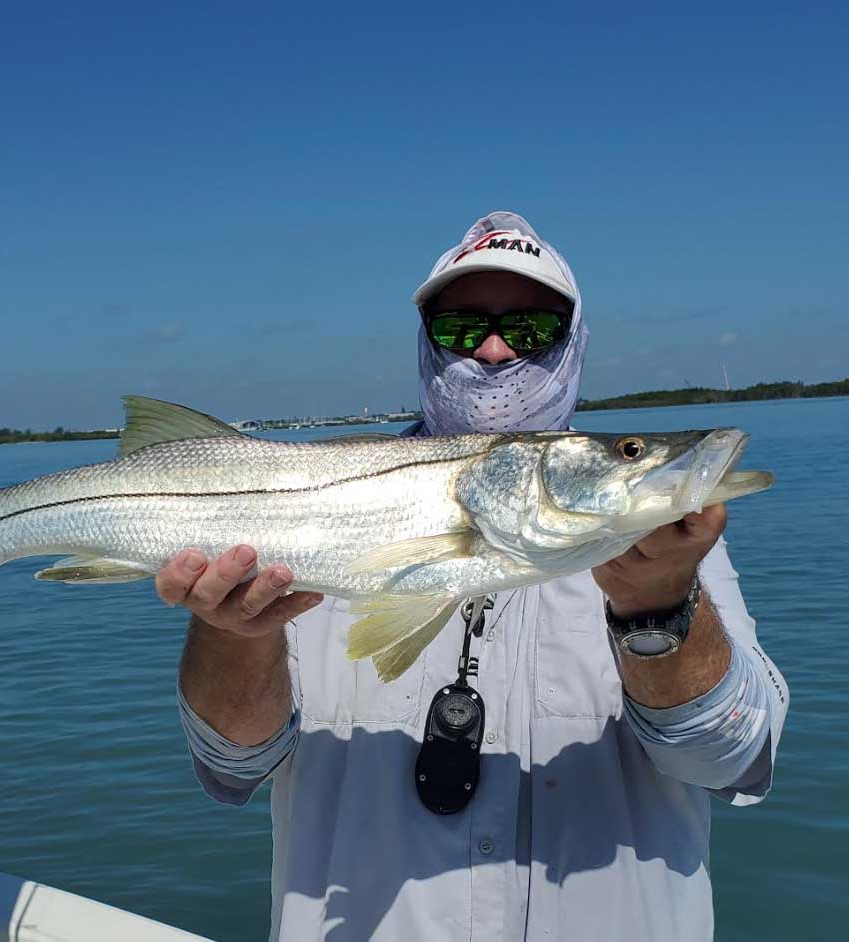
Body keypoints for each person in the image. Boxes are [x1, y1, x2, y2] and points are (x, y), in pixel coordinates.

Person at [159, 211, 788, 941]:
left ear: (574, 343)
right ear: (426, 341)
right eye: (461, 327)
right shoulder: (311, 516)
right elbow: (231, 766)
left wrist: (659, 611)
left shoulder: (666, 546)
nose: (493, 350)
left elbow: (733, 760)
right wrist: (232, 632)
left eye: (532, 328)